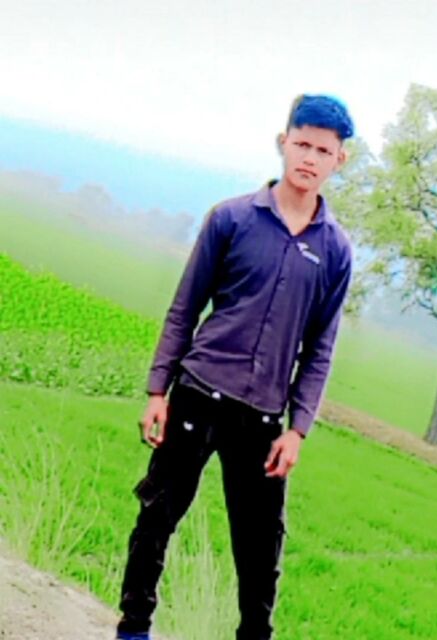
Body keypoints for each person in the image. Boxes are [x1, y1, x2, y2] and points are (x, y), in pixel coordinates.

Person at [115, 94, 354, 640]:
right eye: (302, 144)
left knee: (260, 548)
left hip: (262, 420)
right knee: (156, 517)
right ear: (283, 142)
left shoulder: (335, 250)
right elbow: (185, 307)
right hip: (198, 394)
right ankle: (133, 628)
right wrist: (158, 391)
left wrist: (297, 429)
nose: (310, 158)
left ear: (340, 160)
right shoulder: (231, 219)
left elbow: (320, 348)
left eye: (323, 150)